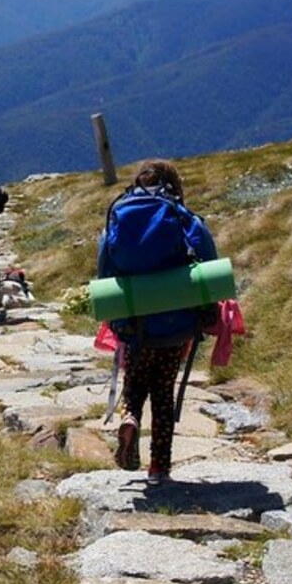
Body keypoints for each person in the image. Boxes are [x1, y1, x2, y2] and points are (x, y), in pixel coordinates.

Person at [99, 158, 217, 483]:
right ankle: (158, 468)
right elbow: (207, 255)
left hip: (134, 322)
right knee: (163, 392)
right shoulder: (179, 214)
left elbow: (104, 265)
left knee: (134, 384)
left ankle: (131, 418)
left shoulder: (121, 212)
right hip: (176, 323)